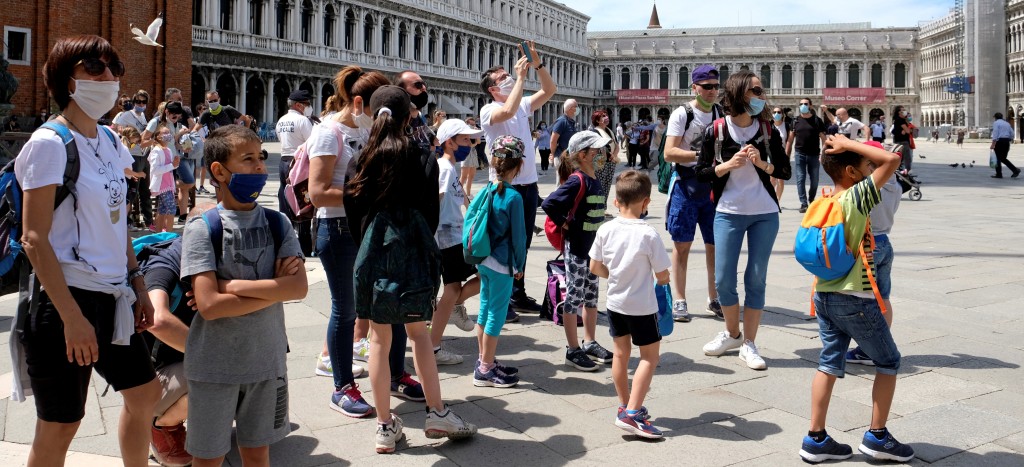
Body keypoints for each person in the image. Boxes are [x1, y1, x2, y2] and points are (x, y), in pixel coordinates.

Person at [13, 34, 160, 467]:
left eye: (114, 69)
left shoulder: (112, 141)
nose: (109, 78)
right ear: (66, 79)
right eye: (95, 68)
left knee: (146, 394)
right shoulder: (48, 143)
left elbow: (118, 224)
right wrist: (72, 319)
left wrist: (138, 284)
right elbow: (33, 238)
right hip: (67, 300)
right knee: (60, 426)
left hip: (113, 296)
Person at [344, 85, 477, 454]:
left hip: (373, 255)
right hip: (414, 253)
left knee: (378, 340)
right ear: (408, 117)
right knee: (418, 334)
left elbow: (354, 215)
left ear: (372, 114)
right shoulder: (422, 158)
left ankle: (385, 427)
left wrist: (371, 246)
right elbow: (430, 215)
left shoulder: (361, 159)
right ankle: (437, 412)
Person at [181, 125, 307, 465]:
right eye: (247, 159)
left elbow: (299, 288)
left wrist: (232, 287)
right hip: (213, 367)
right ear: (219, 171)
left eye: (260, 158)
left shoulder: (277, 222)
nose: (258, 166)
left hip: (266, 362)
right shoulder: (203, 227)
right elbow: (209, 306)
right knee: (208, 457)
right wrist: (275, 290)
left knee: (257, 454)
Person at [798, 135, 914, 464]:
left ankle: (815, 438)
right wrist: (850, 140)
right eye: (866, 166)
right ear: (852, 171)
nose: (872, 168)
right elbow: (891, 160)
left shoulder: (822, 200)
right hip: (855, 298)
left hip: (823, 294)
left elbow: (882, 161)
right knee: (889, 362)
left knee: (828, 363)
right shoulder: (856, 198)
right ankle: (878, 437)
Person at [307, 66, 389, 418]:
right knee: (346, 308)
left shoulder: (370, 131)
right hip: (337, 230)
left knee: (379, 304)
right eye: (377, 110)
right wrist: (369, 194)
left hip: (367, 227)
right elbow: (319, 192)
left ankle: (394, 373)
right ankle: (341, 387)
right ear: (358, 103)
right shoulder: (329, 132)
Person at [695, 70, 791, 371]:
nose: (761, 97)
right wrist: (726, 166)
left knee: (756, 277)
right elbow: (701, 173)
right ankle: (732, 333)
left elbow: (785, 171)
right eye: (757, 91)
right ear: (739, 94)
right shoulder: (717, 130)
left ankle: (749, 343)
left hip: (764, 212)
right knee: (723, 280)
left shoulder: (767, 130)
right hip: (728, 211)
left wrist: (762, 163)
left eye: (761, 91)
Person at [589, 170, 670, 439]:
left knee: (621, 354)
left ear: (616, 201)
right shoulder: (649, 234)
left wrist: (614, 275)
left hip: (615, 302)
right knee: (649, 357)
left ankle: (625, 405)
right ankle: (633, 413)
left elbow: (595, 266)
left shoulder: (605, 228)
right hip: (642, 306)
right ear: (646, 202)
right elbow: (663, 275)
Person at [479, 40, 556, 320]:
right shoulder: (489, 110)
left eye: (508, 75)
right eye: (502, 78)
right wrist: (522, 78)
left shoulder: (523, 103)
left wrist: (538, 64)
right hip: (503, 186)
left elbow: (549, 90)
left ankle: (518, 292)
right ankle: (504, 298)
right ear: (493, 89)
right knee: (504, 241)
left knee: (521, 241)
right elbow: (507, 112)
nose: (509, 78)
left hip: (528, 184)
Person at [542, 131, 614, 371]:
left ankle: (590, 341)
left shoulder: (594, 178)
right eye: (596, 151)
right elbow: (549, 203)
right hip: (577, 249)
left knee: (592, 297)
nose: (601, 155)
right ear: (583, 155)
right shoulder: (577, 179)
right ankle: (572, 349)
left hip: (593, 251)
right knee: (574, 297)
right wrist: (565, 223)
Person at [664, 64, 724, 323]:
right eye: (706, 87)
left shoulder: (721, 113)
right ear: (695, 87)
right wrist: (701, 155)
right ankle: (679, 299)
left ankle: (714, 297)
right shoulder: (682, 114)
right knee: (682, 245)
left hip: (715, 186)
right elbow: (669, 152)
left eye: (715, 86)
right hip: (687, 185)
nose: (712, 91)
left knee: (715, 245)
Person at [139, 231, 200, 467]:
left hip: (182, 364)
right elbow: (157, 320)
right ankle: (161, 424)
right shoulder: (163, 266)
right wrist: (212, 357)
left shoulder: (213, 266)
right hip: (154, 379)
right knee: (219, 374)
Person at [473, 135, 527, 388]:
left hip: (483, 258)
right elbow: (519, 237)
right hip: (502, 262)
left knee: (484, 309)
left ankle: (484, 360)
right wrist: (520, 264)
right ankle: (485, 368)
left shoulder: (488, 190)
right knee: (496, 313)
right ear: (519, 166)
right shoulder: (514, 197)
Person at [431, 118, 483, 365]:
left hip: (453, 234)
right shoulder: (444, 167)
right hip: (447, 236)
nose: (469, 144)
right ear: (449, 143)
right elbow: (437, 199)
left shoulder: (449, 167)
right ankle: (434, 346)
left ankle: (450, 309)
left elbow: (456, 194)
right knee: (481, 276)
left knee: (455, 288)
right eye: (464, 140)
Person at [846, 141, 903, 366]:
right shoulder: (895, 185)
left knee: (862, 302)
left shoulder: (870, 186)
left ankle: (869, 349)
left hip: (867, 245)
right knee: (883, 298)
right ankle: (881, 342)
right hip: (885, 243)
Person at [276, 89, 316, 255]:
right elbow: (312, 142)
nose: (309, 107)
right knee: (303, 202)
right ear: (299, 105)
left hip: (284, 161)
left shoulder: (281, 120)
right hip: (299, 163)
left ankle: (285, 241)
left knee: (285, 199)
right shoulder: (302, 121)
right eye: (307, 104)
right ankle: (305, 246)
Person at [143, 102, 191, 223]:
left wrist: (182, 146)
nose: (176, 117)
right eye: (173, 114)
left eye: (178, 115)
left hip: (172, 161)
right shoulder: (155, 122)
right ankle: (164, 228)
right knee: (168, 203)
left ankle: (160, 227)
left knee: (164, 203)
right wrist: (157, 141)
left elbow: (173, 142)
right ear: (166, 112)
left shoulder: (175, 124)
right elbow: (143, 141)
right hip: (160, 162)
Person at [791, 97, 828, 213]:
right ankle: (803, 203)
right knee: (800, 178)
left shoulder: (817, 121)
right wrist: (786, 154)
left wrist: (823, 153)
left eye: (805, 104)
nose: (803, 106)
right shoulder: (795, 121)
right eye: (801, 104)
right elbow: (790, 139)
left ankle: (811, 199)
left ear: (810, 106)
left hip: (814, 154)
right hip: (799, 153)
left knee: (815, 180)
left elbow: (823, 138)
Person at [148, 124, 180, 233]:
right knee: (171, 209)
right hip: (162, 185)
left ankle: (158, 233)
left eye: (168, 133)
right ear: (158, 136)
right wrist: (172, 165)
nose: (168, 135)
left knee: (161, 210)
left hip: (168, 184)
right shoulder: (156, 151)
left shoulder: (168, 150)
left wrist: (175, 164)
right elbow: (155, 170)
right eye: (165, 133)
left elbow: (170, 167)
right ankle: (170, 234)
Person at [588, 110, 620, 209]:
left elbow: (616, 145)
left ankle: (603, 207)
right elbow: (596, 146)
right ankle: (596, 207)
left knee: (607, 184)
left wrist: (613, 155)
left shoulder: (609, 131)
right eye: (603, 116)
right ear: (597, 120)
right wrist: (608, 154)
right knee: (599, 185)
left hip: (611, 162)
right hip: (600, 162)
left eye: (606, 116)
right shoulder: (595, 132)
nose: (606, 118)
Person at [459, 116, 485, 199]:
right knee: (464, 176)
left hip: (473, 154)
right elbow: (470, 144)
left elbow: (478, 142)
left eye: (474, 123)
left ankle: (468, 193)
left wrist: (477, 134)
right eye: (470, 124)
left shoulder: (474, 132)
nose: (473, 125)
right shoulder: (464, 133)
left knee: (471, 175)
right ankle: (458, 192)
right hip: (466, 154)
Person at [550, 99, 579, 170]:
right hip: (562, 157)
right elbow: (553, 140)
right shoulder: (561, 121)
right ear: (570, 109)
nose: (578, 108)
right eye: (576, 106)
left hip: (570, 157)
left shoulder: (571, 122)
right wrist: (553, 154)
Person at [990, 112, 1020, 178]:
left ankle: (999, 174)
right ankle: (1015, 170)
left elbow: (995, 133)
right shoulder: (1007, 123)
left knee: (998, 158)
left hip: (1000, 142)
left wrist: (993, 144)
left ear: (995, 117)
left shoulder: (996, 123)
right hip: (1006, 142)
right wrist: (1009, 139)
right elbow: (1012, 133)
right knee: (1003, 158)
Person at [771, 106, 790, 202]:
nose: (776, 114)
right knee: (772, 179)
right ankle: (772, 199)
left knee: (781, 180)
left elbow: (789, 141)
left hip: (782, 155)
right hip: (771, 155)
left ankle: (778, 200)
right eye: (774, 112)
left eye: (778, 112)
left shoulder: (786, 126)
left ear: (782, 114)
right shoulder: (769, 125)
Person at [891, 105, 914, 171]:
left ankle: (902, 173)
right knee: (907, 159)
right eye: (902, 110)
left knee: (900, 159)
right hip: (903, 142)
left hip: (898, 141)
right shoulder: (900, 120)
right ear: (899, 112)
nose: (904, 111)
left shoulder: (899, 119)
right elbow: (908, 131)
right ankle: (905, 173)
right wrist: (909, 130)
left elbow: (906, 130)